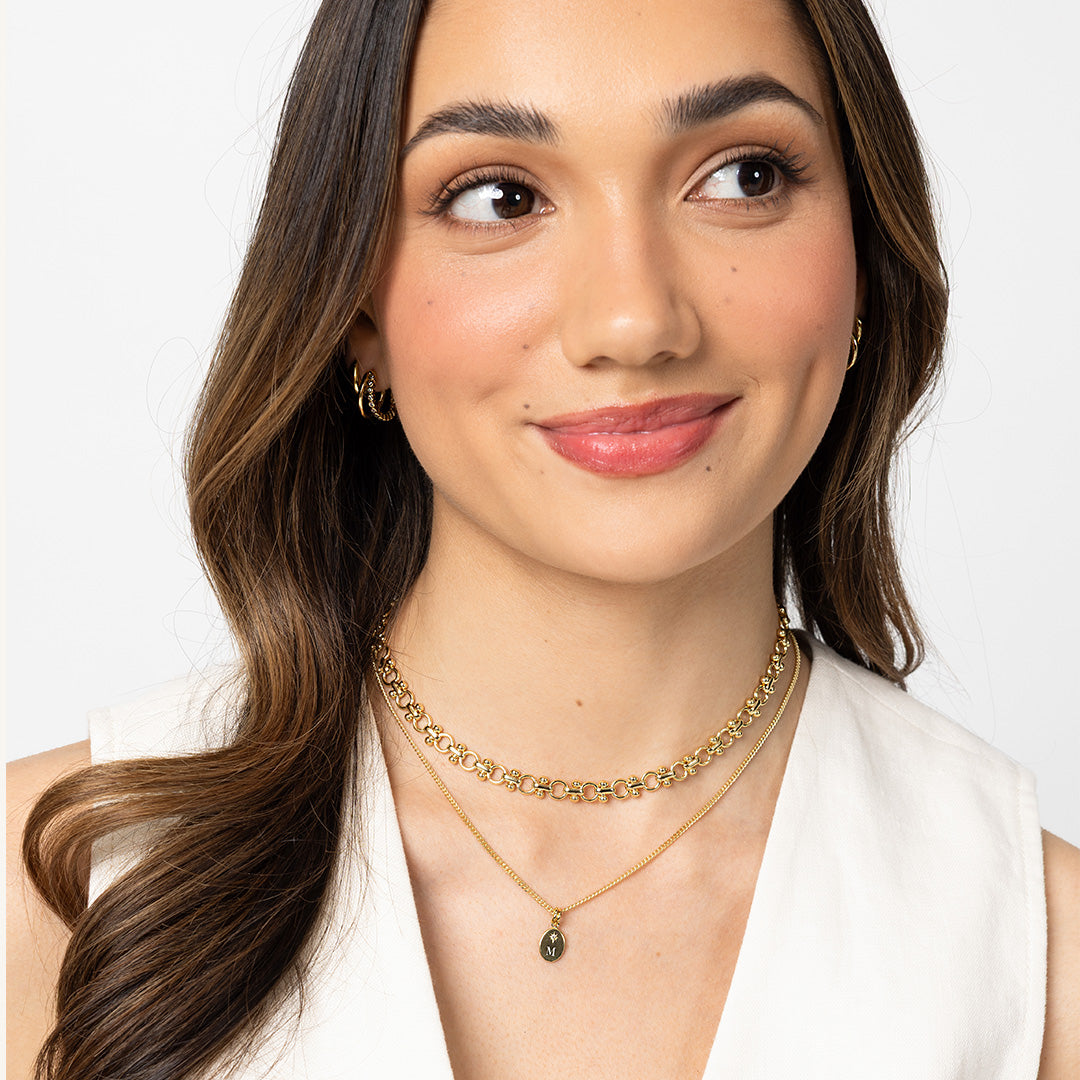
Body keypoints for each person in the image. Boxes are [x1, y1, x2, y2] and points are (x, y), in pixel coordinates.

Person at [7, 0, 1078, 1077]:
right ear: (358, 312)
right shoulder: (49, 890)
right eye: (500, 197)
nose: (634, 323)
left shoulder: (1044, 960)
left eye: (744, 177)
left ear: (864, 255)